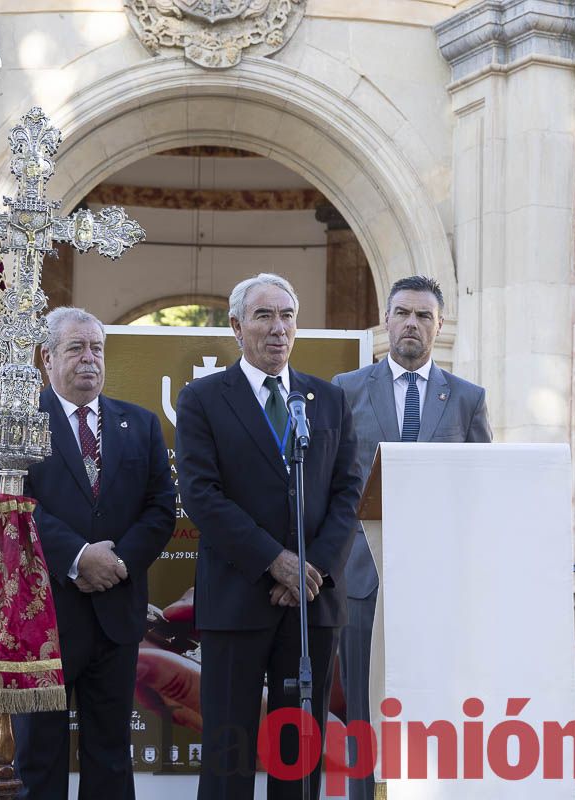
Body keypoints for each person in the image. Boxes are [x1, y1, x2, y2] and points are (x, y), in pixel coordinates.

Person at [175, 273, 364, 800]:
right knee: (228, 752)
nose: (278, 329)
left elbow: (348, 494)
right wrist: (274, 561)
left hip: (310, 602)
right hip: (237, 598)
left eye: (286, 316)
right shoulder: (203, 399)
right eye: (264, 316)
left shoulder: (326, 399)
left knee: (299, 755)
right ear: (236, 327)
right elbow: (201, 494)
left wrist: (311, 568)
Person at [0, 307, 176, 800]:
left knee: (111, 755)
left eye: (97, 348)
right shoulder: (18, 423)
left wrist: (116, 563)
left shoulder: (140, 424)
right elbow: (10, 505)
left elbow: (161, 509)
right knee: (39, 756)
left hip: (116, 615)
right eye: (76, 348)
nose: (89, 358)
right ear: (47, 358)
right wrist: (78, 557)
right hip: (44, 619)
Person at [331, 274, 492, 800]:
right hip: (362, 579)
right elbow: (330, 485)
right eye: (403, 313)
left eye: (424, 316)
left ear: (439, 326)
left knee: (436, 708)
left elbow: (480, 491)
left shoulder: (467, 399)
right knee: (363, 709)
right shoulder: (346, 389)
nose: (412, 324)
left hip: (438, 582)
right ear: (386, 320)